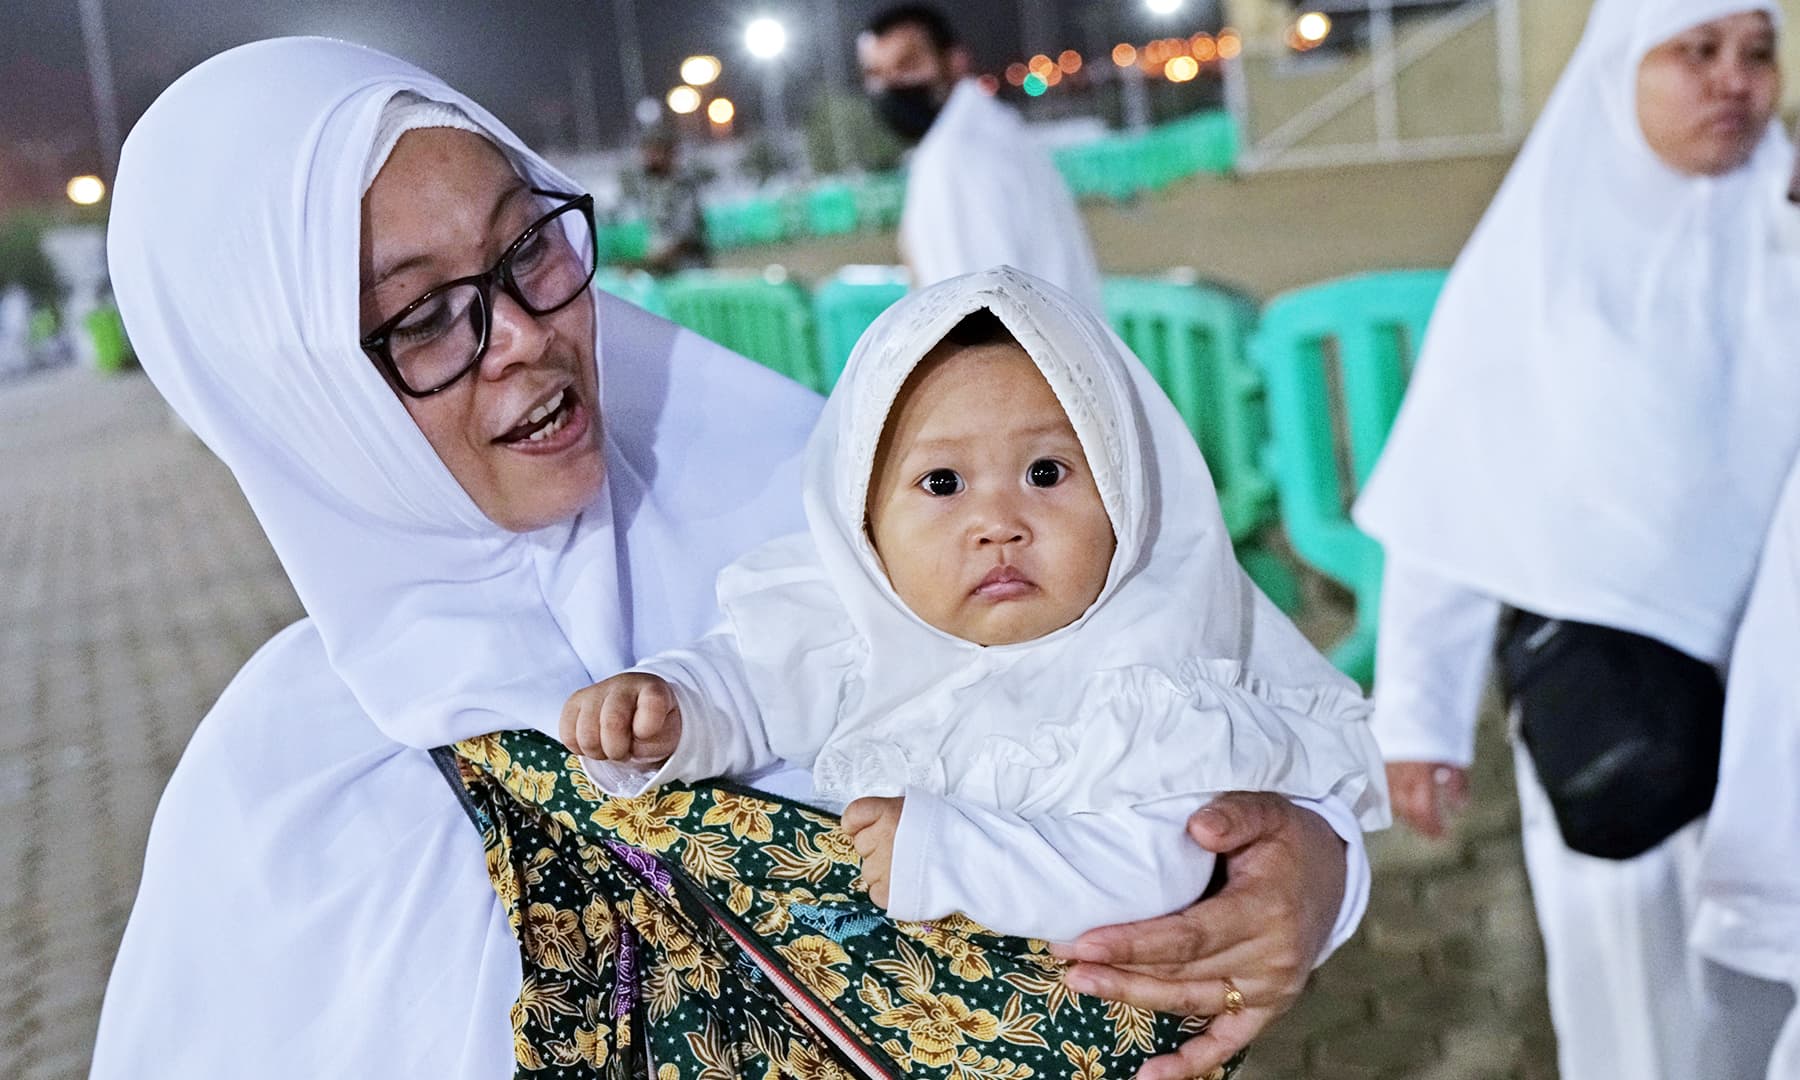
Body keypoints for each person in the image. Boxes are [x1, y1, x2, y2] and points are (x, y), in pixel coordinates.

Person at [89, 37, 1371, 1080]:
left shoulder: (825, 513)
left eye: (529, 245)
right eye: (423, 316)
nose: (529, 337)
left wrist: (1305, 873)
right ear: (290, 401)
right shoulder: (287, 810)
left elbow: (1216, 683)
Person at [563, 266, 1387, 942]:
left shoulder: (1154, 678)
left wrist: (952, 854)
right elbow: (747, 681)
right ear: (864, 522)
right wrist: (669, 709)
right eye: (942, 484)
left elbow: (1157, 865)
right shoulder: (847, 628)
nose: (998, 525)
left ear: (1127, 493)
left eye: (1047, 474)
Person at [1352, 2, 1800, 1076]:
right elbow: (1456, 499)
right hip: (1613, 698)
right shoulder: (1534, 268)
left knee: (1762, 979)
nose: (1734, 81)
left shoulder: (1782, 228)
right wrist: (1422, 716)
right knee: (1635, 992)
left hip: (1773, 701)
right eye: (1695, 52)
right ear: (1617, 75)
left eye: (1757, 52)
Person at [858, 4, 1103, 309]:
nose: (891, 84)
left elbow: (975, 318)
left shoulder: (956, 156)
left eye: (908, 64)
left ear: (955, 61)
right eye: (876, 73)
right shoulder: (992, 131)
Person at [636, 126, 709, 275]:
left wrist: (660, 258)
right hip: (661, 273)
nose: (649, 158)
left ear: (670, 154)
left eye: (654, 152)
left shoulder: (682, 185)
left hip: (688, 271)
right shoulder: (650, 186)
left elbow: (688, 235)